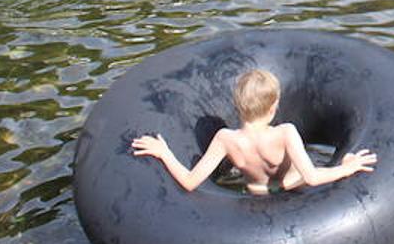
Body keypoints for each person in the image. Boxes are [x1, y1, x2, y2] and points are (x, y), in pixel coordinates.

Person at [132, 68, 376, 194]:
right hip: (293, 190)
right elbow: (312, 178)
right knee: (333, 163)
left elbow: (189, 182)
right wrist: (346, 168)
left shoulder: (225, 139)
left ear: (237, 107)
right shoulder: (286, 133)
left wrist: (164, 153)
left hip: (256, 196)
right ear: (274, 107)